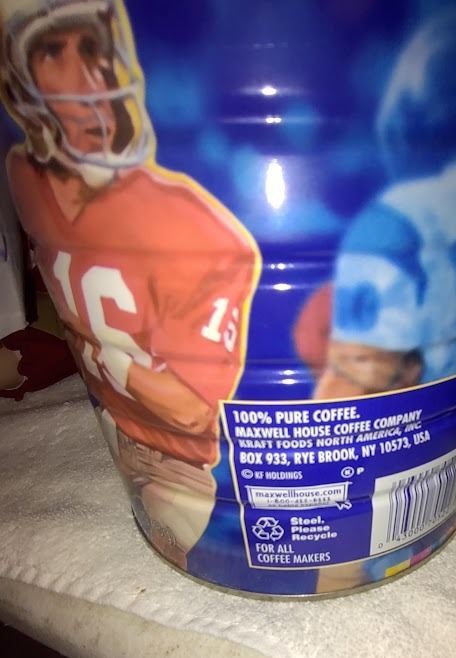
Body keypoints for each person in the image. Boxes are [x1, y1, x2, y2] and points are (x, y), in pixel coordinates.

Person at [0, 0, 261, 569]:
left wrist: (108, 358)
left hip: (176, 462)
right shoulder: (25, 173)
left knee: (188, 551)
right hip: (117, 425)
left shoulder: (191, 224)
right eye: (55, 52)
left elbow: (191, 410)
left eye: (94, 53)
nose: (84, 76)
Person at [310, 6, 456, 591]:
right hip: (441, 451)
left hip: (383, 494)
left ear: (404, 115)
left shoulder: (394, 225)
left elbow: (356, 386)